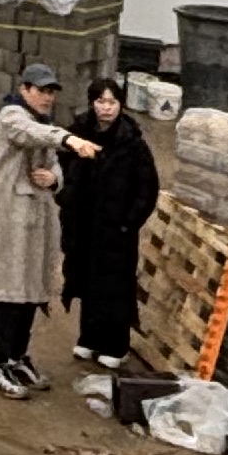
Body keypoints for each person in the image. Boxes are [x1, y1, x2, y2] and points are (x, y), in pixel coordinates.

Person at [0, 67, 99, 396]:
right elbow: (28, 134)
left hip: (38, 219)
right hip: (10, 218)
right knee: (7, 289)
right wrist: (69, 139)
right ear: (25, 89)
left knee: (31, 288)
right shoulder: (12, 116)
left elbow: (53, 163)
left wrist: (54, 178)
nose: (48, 97)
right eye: (41, 90)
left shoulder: (44, 123)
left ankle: (17, 355)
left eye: (51, 92)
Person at [56, 70, 157, 368]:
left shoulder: (132, 143)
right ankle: (89, 338)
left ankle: (116, 345)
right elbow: (62, 170)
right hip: (85, 225)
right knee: (87, 280)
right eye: (100, 101)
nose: (106, 108)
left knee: (114, 285)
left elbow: (148, 188)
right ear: (92, 103)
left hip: (116, 230)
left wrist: (128, 223)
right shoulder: (77, 134)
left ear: (121, 105)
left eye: (112, 102)